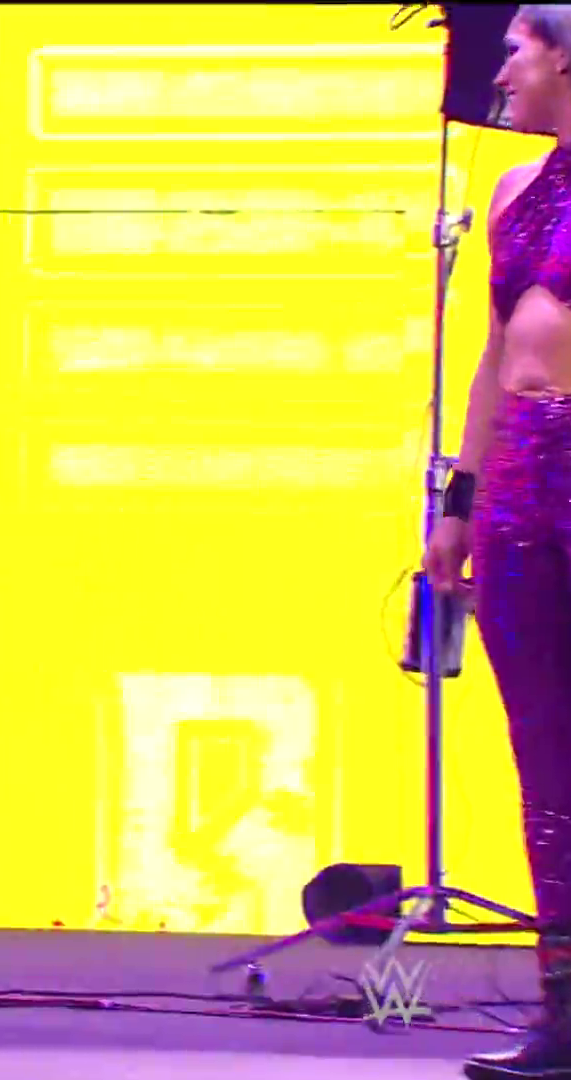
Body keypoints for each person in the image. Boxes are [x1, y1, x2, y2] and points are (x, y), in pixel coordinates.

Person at [427, 7, 571, 1077]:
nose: (500, 70)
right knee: (546, 752)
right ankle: (564, 1014)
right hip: (522, 471)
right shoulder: (518, 190)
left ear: (565, 53)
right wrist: (459, 500)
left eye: (515, 49)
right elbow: (490, 355)